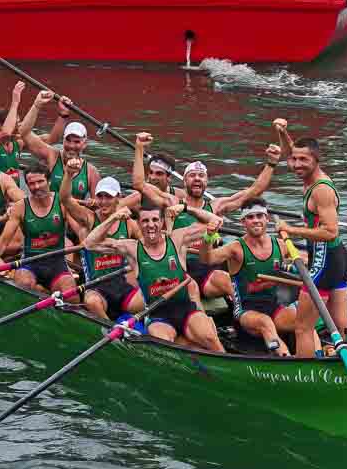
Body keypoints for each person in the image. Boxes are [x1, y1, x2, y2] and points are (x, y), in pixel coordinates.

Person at [132, 131, 280, 299]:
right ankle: (246, 307)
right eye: (192, 176)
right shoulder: (172, 202)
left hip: (209, 263)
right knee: (225, 280)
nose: (197, 179)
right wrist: (139, 148)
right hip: (183, 266)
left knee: (242, 269)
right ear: (184, 181)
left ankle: (250, 307)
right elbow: (139, 184)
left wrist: (271, 163)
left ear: (206, 182)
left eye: (201, 176)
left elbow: (255, 191)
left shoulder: (216, 206)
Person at [85, 202, 225, 352]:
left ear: (162, 222)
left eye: (155, 220)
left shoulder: (177, 239)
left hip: (185, 310)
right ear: (138, 224)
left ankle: (219, 358)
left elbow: (216, 221)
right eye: (145, 221)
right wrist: (113, 218)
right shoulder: (131, 248)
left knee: (210, 338)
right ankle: (186, 344)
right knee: (165, 347)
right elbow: (90, 244)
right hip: (158, 316)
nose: (150, 225)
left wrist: (185, 208)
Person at [273, 120, 347, 350]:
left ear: (316, 160)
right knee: (341, 322)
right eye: (294, 159)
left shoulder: (321, 190)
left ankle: (303, 373)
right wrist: (283, 132)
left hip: (324, 260)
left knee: (303, 327)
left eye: (303, 160)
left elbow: (330, 231)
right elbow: (291, 151)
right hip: (338, 258)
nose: (296, 164)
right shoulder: (307, 174)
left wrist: (290, 230)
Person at [206, 203, 298, 356]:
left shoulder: (281, 245)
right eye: (250, 217)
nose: (255, 220)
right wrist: (207, 237)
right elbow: (207, 258)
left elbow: (305, 260)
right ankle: (285, 360)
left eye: (259, 216)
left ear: (266, 218)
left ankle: (317, 358)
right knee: (265, 323)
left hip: (273, 308)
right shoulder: (236, 248)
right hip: (245, 313)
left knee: (303, 321)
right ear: (243, 222)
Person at [57, 161, 145, 321]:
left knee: (149, 295)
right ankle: (110, 328)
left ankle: (140, 323)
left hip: (120, 285)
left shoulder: (129, 223)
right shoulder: (89, 218)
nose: (103, 202)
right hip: (95, 287)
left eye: (108, 197)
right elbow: (65, 198)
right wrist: (69, 174)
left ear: (118, 198)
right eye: (100, 197)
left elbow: (145, 247)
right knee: (91, 302)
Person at [0, 163, 77, 297]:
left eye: (40, 182)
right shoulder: (20, 207)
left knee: (72, 296)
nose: (36, 187)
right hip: (29, 263)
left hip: (57, 263)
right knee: (23, 287)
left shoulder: (62, 203)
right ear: (27, 185)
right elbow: (3, 241)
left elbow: (80, 230)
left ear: (49, 181)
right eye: (31, 184)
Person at [18, 89, 101, 199]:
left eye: (77, 142)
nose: (71, 145)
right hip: (50, 213)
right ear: (63, 141)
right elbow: (24, 132)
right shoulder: (52, 156)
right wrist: (37, 105)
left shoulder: (91, 171)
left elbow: (99, 205)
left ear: (84, 144)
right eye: (68, 140)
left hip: (73, 215)